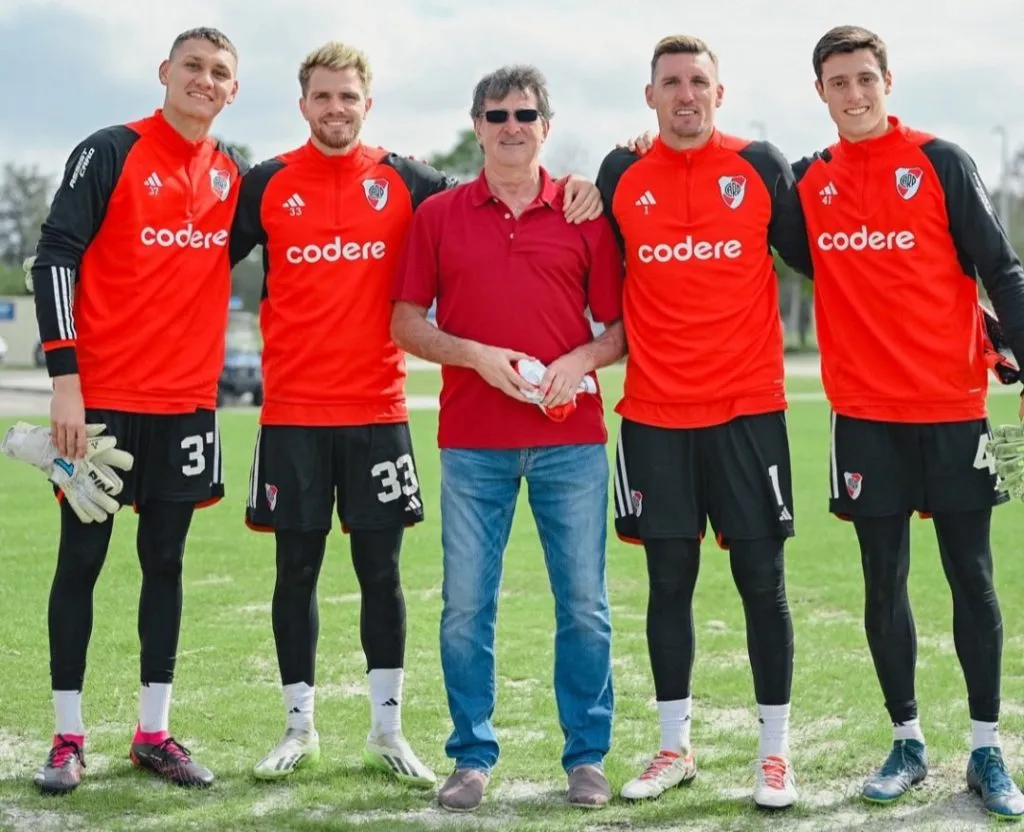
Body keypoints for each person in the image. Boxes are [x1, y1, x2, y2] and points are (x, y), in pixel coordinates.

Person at [230, 43, 603, 786]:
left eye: (348, 96)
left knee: (383, 574)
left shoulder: (407, 180)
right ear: (303, 105)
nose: (336, 108)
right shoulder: (265, 183)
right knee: (295, 571)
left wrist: (588, 186)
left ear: (367, 104)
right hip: (292, 414)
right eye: (322, 96)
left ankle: (388, 731)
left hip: (377, 410)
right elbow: (197, 264)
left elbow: (502, 186)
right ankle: (298, 727)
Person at [793, 25, 1024, 819]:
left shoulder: (941, 161)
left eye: (865, 78)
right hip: (862, 417)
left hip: (955, 410)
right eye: (838, 82)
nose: (854, 93)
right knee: (882, 579)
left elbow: (1002, 270)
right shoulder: (808, 182)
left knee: (974, 579)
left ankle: (988, 750)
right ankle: (907, 741)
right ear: (820, 92)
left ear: (887, 81)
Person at [390, 64, 625, 813]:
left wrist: (579, 361)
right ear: (478, 127)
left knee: (583, 605)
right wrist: (473, 355)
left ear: (545, 127)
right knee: (466, 606)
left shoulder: (584, 213)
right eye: (497, 116)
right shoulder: (440, 216)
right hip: (473, 441)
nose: (512, 127)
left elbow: (619, 329)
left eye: (525, 114)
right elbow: (405, 323)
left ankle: (586, 757)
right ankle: (471, 755)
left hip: (572, 439)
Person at [26, 27, 247, 794]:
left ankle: (154, 734)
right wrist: (66, 381)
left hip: (186, 407)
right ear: (165, 71)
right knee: (81, 562)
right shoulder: (110, 150)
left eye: (219, 72)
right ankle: (67, 737)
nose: (204, 79)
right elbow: (55, 256)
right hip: (101, 407)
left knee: (167, 563)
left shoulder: (231, 175)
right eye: (193, 66)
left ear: (233, 90)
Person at [595, 35, 812, 810]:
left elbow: (822, 257)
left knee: (763, 585)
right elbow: (592, 269)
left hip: (748, 413)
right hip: (655, 416)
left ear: (719, 93)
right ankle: (673, 747)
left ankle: (774, 755)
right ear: (650, 95)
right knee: (668, 586)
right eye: (671, 83)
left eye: (698, 82)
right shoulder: (620, 173)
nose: (685, 95)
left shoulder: (759, 165)